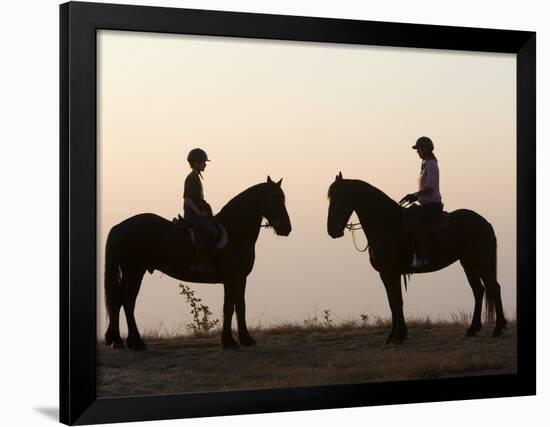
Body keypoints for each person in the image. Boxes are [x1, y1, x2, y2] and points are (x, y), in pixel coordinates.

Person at [399, 136, 443, 267]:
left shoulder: (432, 164)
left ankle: (421, 257)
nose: (417, 151)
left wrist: (415, 195)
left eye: (419, 149)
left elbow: (430, 187)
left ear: (425, 149)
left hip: (432, 205)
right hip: (425, 204)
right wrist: (415, 197)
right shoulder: (425, 165)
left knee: (414, 223)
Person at [183, 148, 218, 272]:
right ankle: (199, 262)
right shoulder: (192, 177)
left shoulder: (196, 177)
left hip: (198, 213)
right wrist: (199, 213)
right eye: (203, 162)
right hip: (193, 215)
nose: (205, 164)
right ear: (196, 163)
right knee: (212, 232)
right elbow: (188, 199)